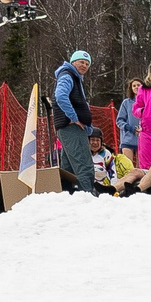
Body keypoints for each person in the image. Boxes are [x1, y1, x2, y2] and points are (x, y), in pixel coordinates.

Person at [52, 49, 105, 197]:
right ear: (73, 62)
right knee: (84, 165)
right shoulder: (67, 75)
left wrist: (87, 127)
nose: (84, 65)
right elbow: (60, 96)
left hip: (69, 128)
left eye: (87, 63)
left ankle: (68, 196)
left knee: (68, 168)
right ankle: (87, 196)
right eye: (81, 62)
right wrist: (74, 118)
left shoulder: (74, 78)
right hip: (71, 128)